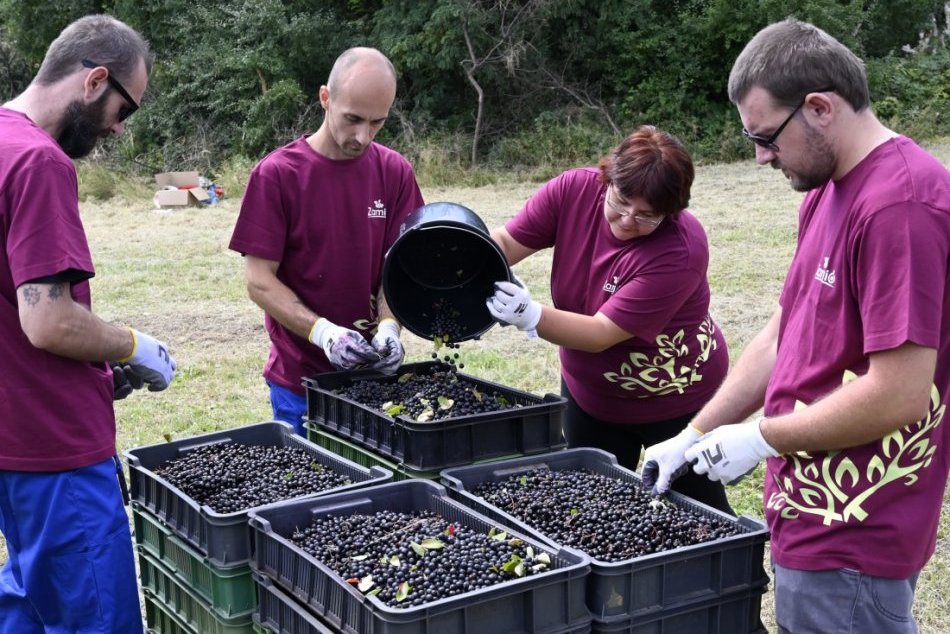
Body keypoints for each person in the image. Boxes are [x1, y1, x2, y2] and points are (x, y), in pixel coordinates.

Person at [642, 18, 950, 634]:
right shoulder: (826, 190)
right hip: (805, 509)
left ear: (819, 108)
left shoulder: (902, 206)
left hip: (855, 530)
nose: (760, 157)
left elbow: (900, 393)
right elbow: (783, 336)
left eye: (766, 137)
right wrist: (698, 430)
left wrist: (760, 439)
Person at [0, 15, 177, 634]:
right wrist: (134, 345)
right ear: (95, 80)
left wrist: (99, 363)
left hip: (13, 439)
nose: (119, 128)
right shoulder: (39, 162)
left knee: (31, 598)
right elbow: (48, 320)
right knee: (97, 618)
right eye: (124, 109)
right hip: (56, 450)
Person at [486, 125, 734, 514]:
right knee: (591, 508)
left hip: (675, 400)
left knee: (697, 514)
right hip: (591, 394)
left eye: (647, 215)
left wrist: (529, 314)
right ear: (608, 179)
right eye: (620, 202)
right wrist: (474, 264)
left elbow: (601, 333)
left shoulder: (681, 251)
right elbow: (504, 242)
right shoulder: (572, 191)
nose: (628, 220)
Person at [229, 47, 425, 435]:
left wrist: (389, 326)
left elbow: (400, 268)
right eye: (353, 119)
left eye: (377, 122)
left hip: (375, 382)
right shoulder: (277, 175)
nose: (363, 136)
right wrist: (325, 334)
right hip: (302, 384)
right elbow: (259, 281)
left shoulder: (395, 172)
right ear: (325, 98)